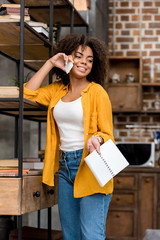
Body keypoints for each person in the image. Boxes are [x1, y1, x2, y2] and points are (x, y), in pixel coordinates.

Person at [24, 33, 115, 240]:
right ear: (67, 57)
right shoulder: (57, 91)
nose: (84, 63)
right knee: (71, 235)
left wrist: (97, 139)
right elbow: (27, 93)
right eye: (79, 56)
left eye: (90, 60)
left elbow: (108, 134)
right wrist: (50, 63)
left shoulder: (97, 92)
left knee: (91, 235)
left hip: (90, 165)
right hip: (65, 168)